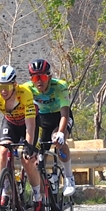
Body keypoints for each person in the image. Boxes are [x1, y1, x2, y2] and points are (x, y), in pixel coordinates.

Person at [0, 64, 44, 211]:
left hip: (29, 124)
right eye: (0, 86)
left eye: (7, 86)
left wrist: (28, 145)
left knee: (26, 159)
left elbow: (30, 125)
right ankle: (6, 190)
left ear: (14, 84)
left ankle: (38, 198)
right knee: (2, 151)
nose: (3, 90)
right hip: (10, 124)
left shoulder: (25, 93)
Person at [27, 58, 76, 197]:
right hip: (44, 119)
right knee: (38, 155)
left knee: (58, 140)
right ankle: (43, 195)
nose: (39, 81)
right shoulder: (27, 88)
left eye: (42, 77)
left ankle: (68, 178)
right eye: (35, 78)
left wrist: (61, 133)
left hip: (60, 117)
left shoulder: (59, 86)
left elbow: (64, 113)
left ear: (49, 77)